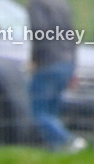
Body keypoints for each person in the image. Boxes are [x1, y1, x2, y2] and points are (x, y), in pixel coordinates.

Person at [27, 0, 84, 151]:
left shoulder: (37, 4)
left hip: (48, 63)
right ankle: (57, 150)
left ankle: (69, 141)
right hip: (66, 63)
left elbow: (39, 32)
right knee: (52, 112)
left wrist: (34, 60)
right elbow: (72, 36)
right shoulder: (62, 4)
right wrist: (73, 67)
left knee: (39, 112)